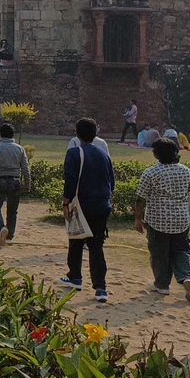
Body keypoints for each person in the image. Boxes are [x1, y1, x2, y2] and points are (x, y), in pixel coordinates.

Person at [135, 139, 190, 301]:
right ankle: (186, 277)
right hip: (181, 220)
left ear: (156, 154)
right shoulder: (185, 171)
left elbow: (140, 199)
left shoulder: (151, 173)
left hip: (158, 221)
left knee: (159, 253)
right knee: (182, 250)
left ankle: (162, 285)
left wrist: (138, 218)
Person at [61, 118, 115, 304]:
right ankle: (100, 287)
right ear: (95, 133)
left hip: (82, 203)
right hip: (102, 204)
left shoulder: (74, 152)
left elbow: (70, 179)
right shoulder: (103, 154)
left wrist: (65, 203)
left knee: (76, 240)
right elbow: (111, 181)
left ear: (77, 134)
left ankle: (75, 277)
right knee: (96, 245)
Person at [0, 122, 31, 246]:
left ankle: (1, 228)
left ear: (0, 134)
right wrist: (27, 182)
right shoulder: (19, 149)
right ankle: (9, 236)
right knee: (12, 210)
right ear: (13, 135)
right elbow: (25, 168)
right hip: (15, 180)